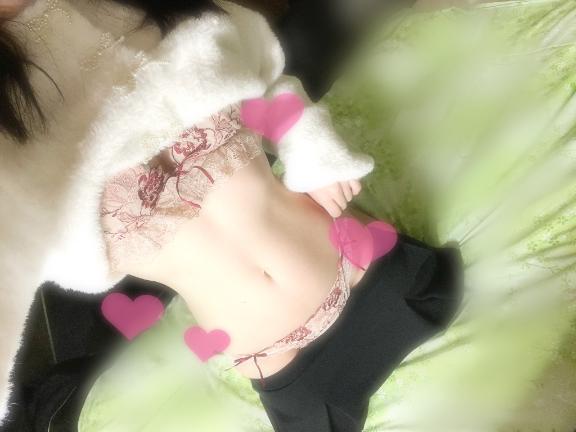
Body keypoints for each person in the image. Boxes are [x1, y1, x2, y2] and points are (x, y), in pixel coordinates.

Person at [0, 0, 462, 429]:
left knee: (445, 289)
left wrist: (314, 153)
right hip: (285, 365)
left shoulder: (128, 8)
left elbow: (266, 74)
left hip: (372, 269)